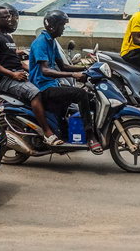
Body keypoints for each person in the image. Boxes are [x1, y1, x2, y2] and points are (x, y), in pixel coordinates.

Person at [0, 4, 62, 146]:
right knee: (35, 93)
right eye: (6, 17)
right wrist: (12, 74)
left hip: (16, 75)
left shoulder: (7, 38)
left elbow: (14, 60)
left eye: (10, 16)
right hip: (6, 78)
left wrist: (32, 70)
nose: (10, 19)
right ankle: (47, 133)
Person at [29, 10, 103, 154]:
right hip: (43, 88)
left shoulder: (51, 42)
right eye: (62, 25)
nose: (63, 28)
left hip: (52, 85)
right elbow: (45, 70)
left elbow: (63, 66)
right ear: (52, 26)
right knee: (80, 94)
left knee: (90, 97)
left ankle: (68, 132)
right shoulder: (41, 43)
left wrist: (88, 68)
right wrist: (74, 74)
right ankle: (90, 136)